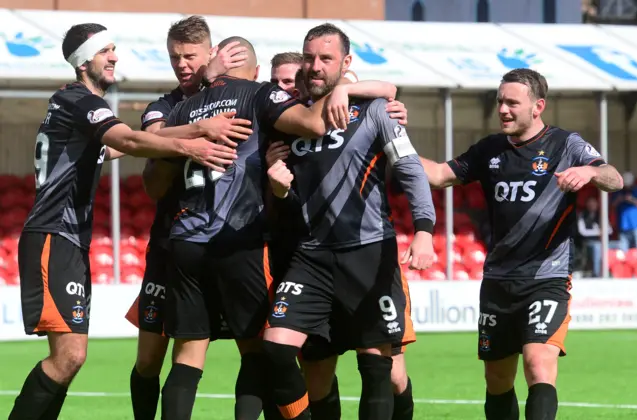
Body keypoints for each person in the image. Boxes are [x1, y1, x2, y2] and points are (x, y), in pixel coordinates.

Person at [9, 22, 238, 419]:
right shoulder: (80, 100)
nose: (114, 57)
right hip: (53, 235)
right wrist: (194, 139)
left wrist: (183, 130)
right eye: (106, 51)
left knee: (71, 359)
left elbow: (124, 146)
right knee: (69, 357)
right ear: (84, 62)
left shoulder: (75, 108)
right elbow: (128, 141)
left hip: (70, 240)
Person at [159, 36, 394, 419]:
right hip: (241, 239)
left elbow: (144, 151)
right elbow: (317, 123)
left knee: (186, 357)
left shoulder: (186, 107)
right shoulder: (257, 96)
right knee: (259, 351)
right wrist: (347, 90)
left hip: (186, 237)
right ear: (255, 74)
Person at [420, 68, 623, 420]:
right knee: (497, 379)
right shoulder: (490, 149)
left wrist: (590, 172)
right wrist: (391, 142)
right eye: (500, 101)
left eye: (512, 102)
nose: (503, 109)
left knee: (538, 362)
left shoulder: (565, 144)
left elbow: (614, 178)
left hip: (547, 277)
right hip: (498, 282)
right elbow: (438, 174)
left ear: (537, 106)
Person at [264, 23, 436, 420]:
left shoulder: (375, 111)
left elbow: (410, 171)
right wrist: (279, 189)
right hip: (310, 258)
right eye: (309, 58)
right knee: (276, 348)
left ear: (345, 63)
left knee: (378, 368)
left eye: (325, 58)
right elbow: (290, 199)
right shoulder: (291, 121)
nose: (315, 66)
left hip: (368, 252)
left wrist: (424, 231)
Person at [123, 16, 251, 420]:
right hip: (170, 245)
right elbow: (151, 158)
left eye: (190, 56)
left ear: (210, 54)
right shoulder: (165, 107)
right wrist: (195, 128)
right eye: (175, 56)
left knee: (254, 347)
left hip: (232, 242)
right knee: (149, 358)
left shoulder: (239, 99)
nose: (181, 63)